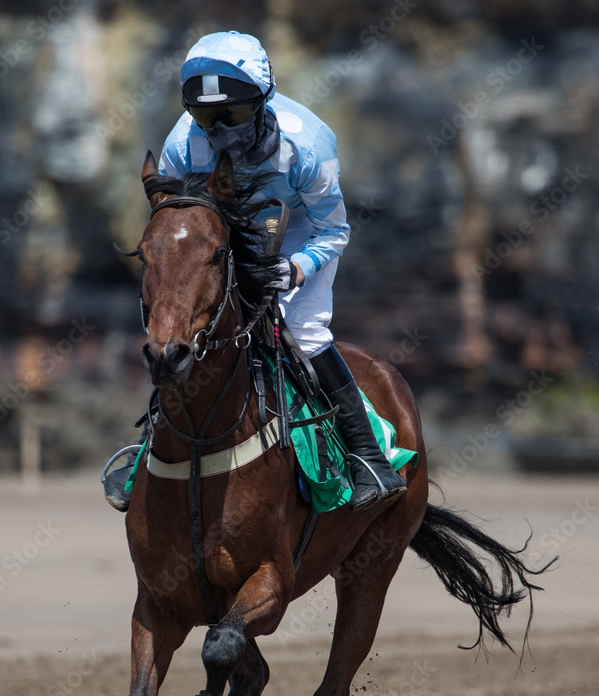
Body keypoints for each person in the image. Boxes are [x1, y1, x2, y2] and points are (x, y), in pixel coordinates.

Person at [104, 30, 406, 512]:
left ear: (263, 100)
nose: (220, 131)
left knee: (302, 332)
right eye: (205, 116)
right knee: (181, 331)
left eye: (234, 113)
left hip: (300, 235)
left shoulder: (308, 143)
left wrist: (297, 269)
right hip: (223, 238)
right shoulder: (183, 142)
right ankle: (147, 453)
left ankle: (368, 455)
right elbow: (179, 221)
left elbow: (334, 231)